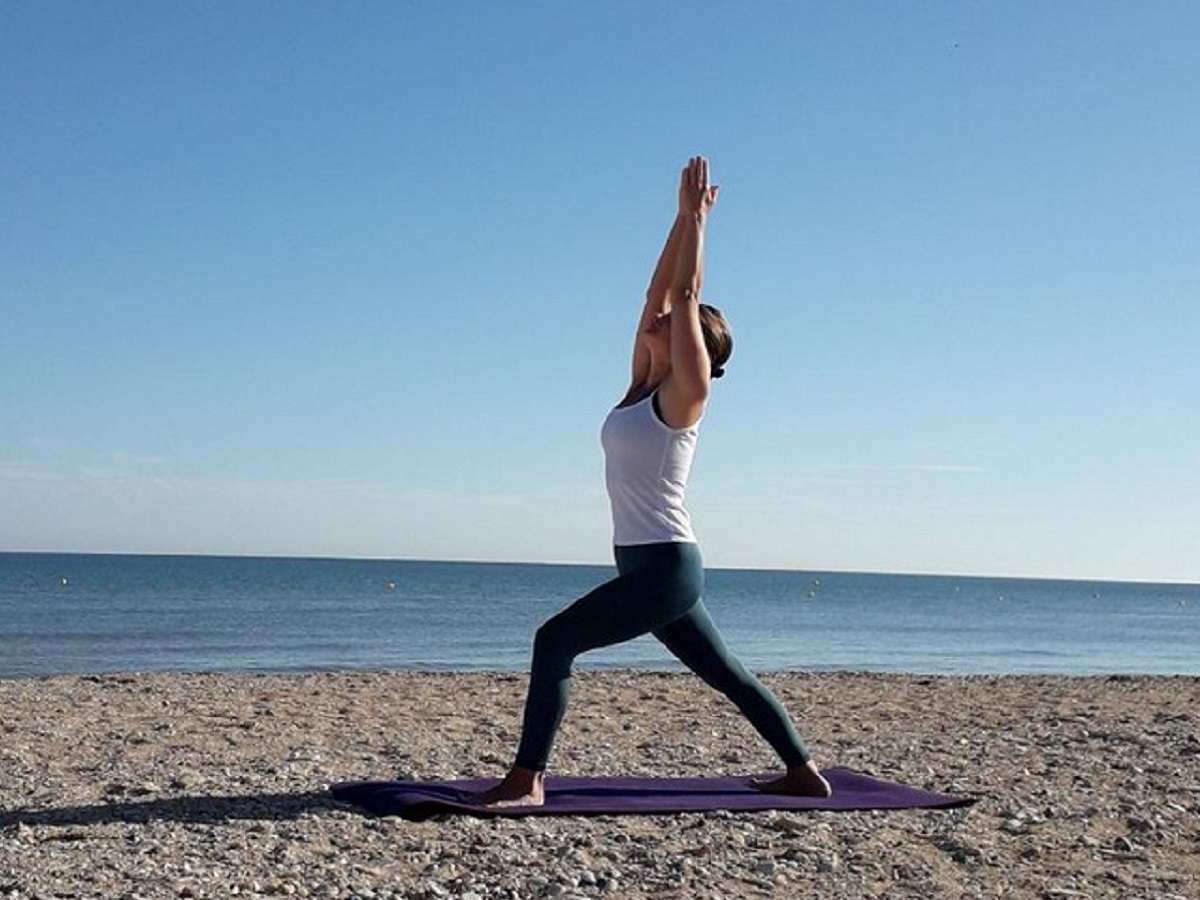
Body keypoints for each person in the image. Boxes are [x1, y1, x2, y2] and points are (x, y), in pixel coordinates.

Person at [475, 156, 830, 807]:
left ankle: (527, 780)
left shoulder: (684, 397)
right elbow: (658, 296)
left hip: (665, 568)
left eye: (674, 325)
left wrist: (699, 222)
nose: (658, 319)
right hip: (649, 567)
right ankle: (803, 772)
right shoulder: (642, 384)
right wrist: (677, 219)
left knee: (553, 641)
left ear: (696, 345)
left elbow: (686, 297)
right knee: (726, 673)